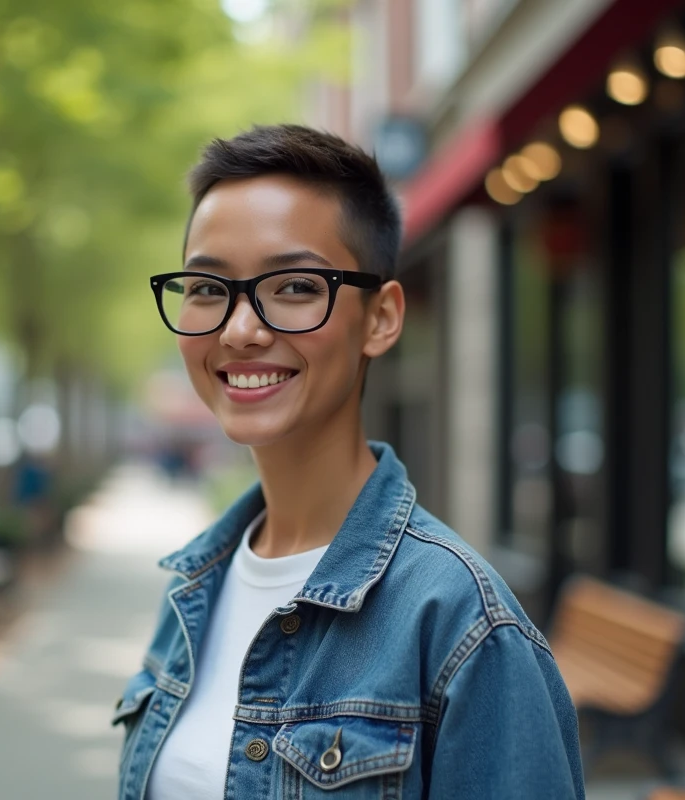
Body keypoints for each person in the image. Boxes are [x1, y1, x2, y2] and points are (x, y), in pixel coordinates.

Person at [115, 125, 584, 799]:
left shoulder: (463, 626)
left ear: (381, 318)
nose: (240, 329)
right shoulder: (191, 588)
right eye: (209, 289)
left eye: (296, 287)